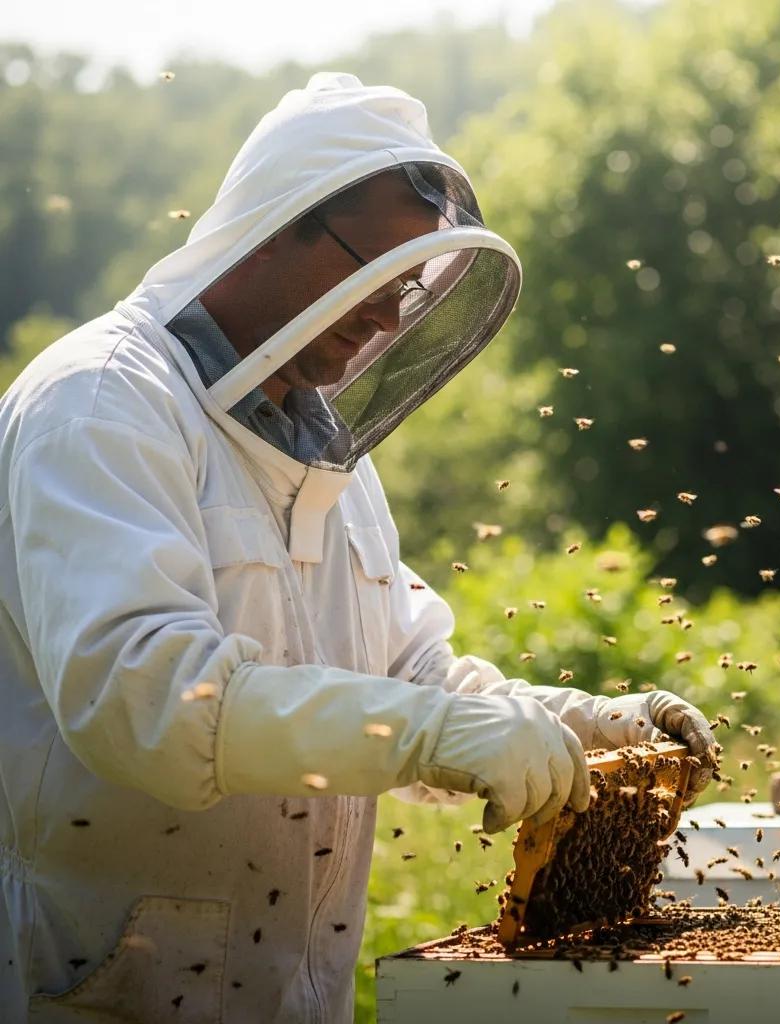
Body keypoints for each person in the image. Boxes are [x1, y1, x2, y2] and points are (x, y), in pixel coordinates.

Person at [0, 73, 716, 1022]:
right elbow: (150, 698)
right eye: (377, 273)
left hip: (298, 992)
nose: (391, 314)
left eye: (412, 286)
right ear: (277, 220)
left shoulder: (325, 454)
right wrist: (430, 734)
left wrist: (582, 722)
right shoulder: (100, 402)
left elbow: (411, 672)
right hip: (105, 983)